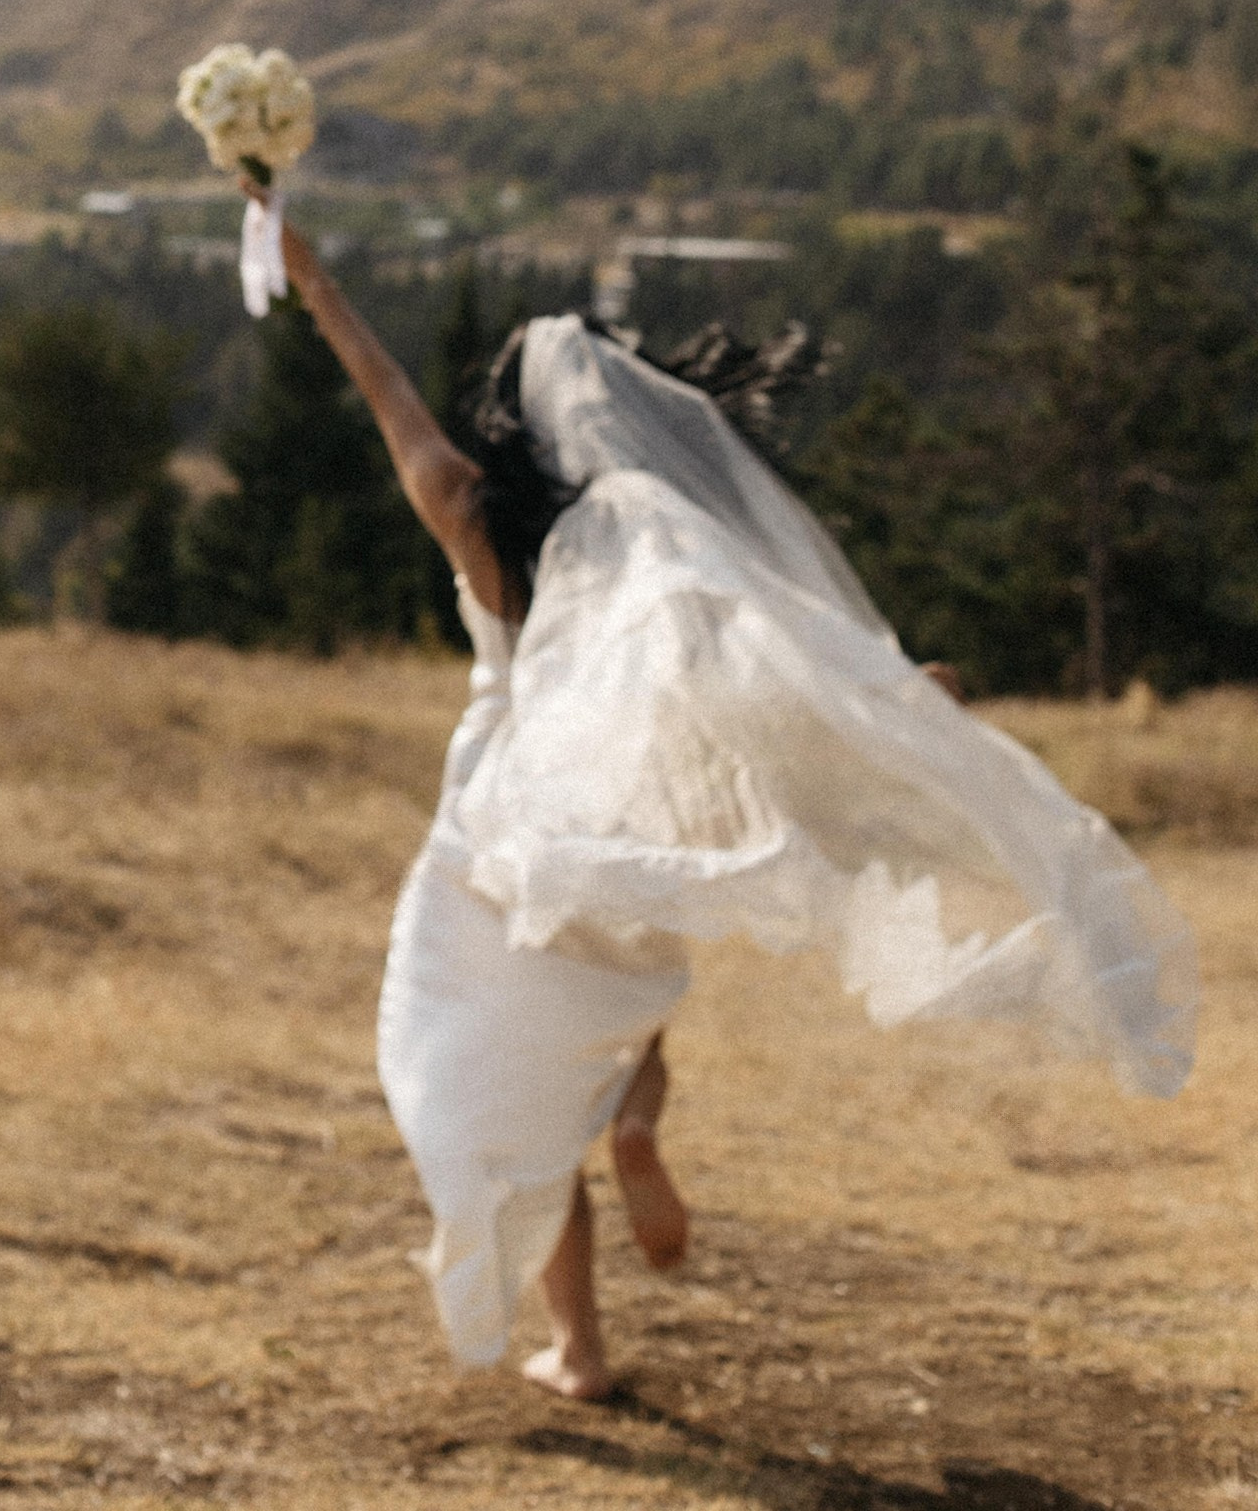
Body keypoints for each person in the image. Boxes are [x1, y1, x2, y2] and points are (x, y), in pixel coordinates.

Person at [254, 198, 1198, 1401]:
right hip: (636, 853)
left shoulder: (480, 528)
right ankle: (635, 1125)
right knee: (618, 1024)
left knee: (495, 1104)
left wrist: (317, 287)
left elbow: (391, 402)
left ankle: (578, 1348)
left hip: (503, 859)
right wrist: (894, 706)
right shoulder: (682, 566)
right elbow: (779, 677)